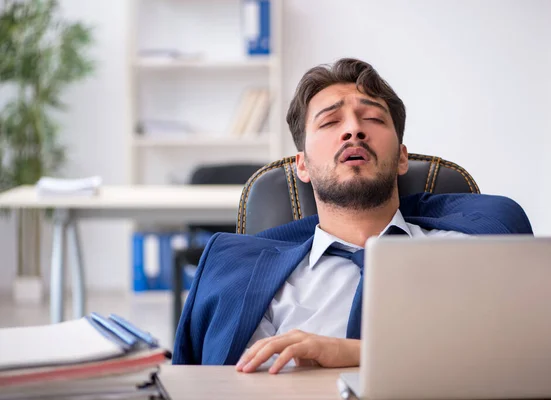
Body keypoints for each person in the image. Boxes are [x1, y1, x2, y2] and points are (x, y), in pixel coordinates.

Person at [172, 58, 532, 374]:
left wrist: (354, 354)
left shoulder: (474, 249)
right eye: (330, 123)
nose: (353, 130)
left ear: (402, 158)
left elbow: (518, 353)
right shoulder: (255, 285)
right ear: (303, 166)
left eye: (373, 117)